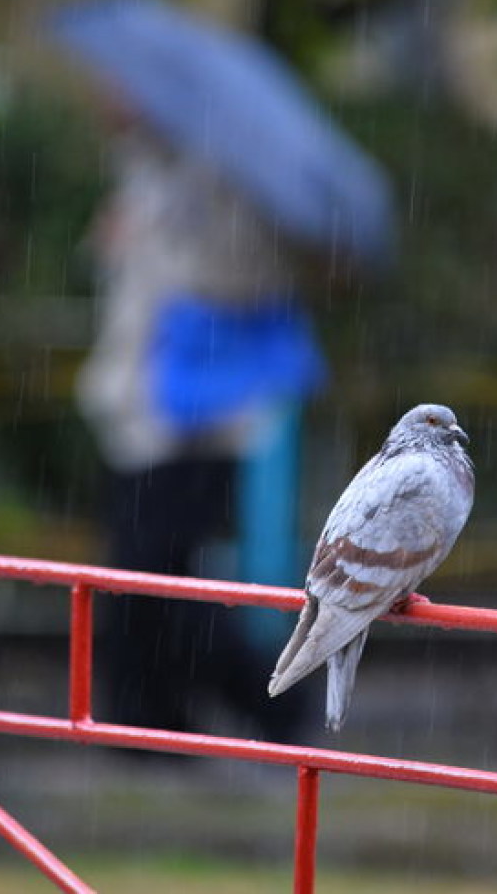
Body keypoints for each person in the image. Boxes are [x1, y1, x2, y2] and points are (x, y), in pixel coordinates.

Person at [76, 96, 319, 743]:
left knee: (156, 581)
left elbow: (242, 278)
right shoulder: (145, 175)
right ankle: (149, 720)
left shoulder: (218, 180)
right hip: (137, 415)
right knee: (144, 581)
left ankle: (269, 700)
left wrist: (171, 256)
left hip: (193, 423)